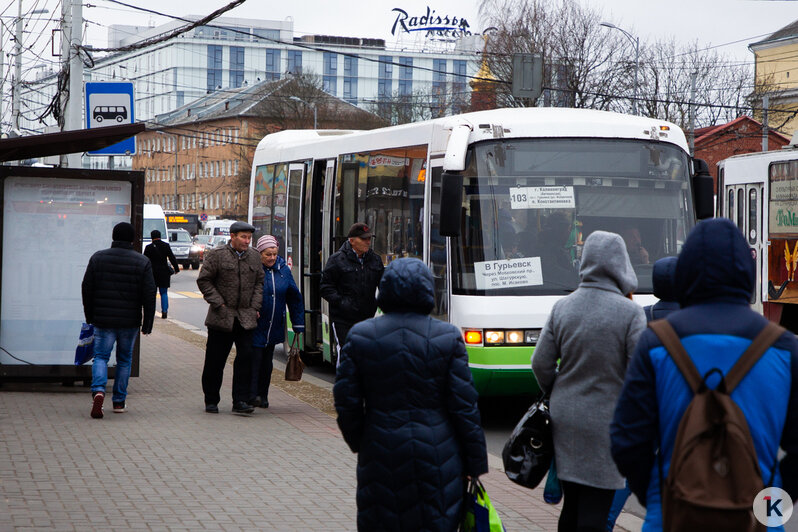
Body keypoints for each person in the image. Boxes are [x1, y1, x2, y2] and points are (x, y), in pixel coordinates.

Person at [611, 218, 798, 530]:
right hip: (757, 517)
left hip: (671, 515)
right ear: (747, 274)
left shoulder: (656, 343)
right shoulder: (784, 348)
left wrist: (657, 496)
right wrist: (769, 501)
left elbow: (627, 440)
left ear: (686, 273)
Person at [333, 258, 488, 531]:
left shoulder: (361, 336)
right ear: (428, 289)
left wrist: (362, 441)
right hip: (439, 452)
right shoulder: (447, 337)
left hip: (380, 448)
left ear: (384, 290)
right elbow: (465, 406)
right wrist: (474, 463)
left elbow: (346, 401)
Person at [532, 230, 646, 532]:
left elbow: (540, 363)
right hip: (609, 422)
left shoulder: (563, 307)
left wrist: (558, 390)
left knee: (572, 504)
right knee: (597, 507)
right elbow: (640, 375)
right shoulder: (631, 314)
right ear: (621, 264)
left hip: (565, 418)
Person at [606, 256, 680, 531]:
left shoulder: (640, 315)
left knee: (622, 483)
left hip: (644, 413)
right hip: (680, 417)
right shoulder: (695, 320)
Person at [82, 222, 156, 419]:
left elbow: (87, 288)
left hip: (103, 319)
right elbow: (149, 294)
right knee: (124, 360)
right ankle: (118, 401)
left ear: (114, 237)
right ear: (133, 239)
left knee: (100, 357)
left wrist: (90, 315)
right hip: (129, 321)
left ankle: (98, 391)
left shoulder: (98, 258)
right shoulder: (142, 262)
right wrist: (148, 322)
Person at [197, 221, 264, 415]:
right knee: (215, 361)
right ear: (232, 237)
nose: (247, 241)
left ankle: (240, 400)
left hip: (246, 317)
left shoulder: (254, 257)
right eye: (243, 237)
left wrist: (254, 306)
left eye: (249, 238)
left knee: (245, 359)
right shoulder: (217, 255)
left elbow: (260, 283)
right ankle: (211, 399)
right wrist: (219, 303)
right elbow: (204, 280)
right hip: (222, 317)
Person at [249, 235, 305, 409]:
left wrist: (298, 323)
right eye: (268, 254)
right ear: (259, 253)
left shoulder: (283, 270)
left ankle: (263, 395)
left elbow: (294, 297)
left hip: (274, 325)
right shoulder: (253, 269)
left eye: (274, 254)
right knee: (254, 360)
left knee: (267, 363)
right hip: (255, 325)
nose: (272, 258)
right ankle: (251, 396)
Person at [320, 222, 384, 355]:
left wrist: (379, 303)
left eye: (369, 239)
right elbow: (325, 287)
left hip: (367, 318)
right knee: (347, 354)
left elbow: (384, 285)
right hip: (343, 320)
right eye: (364, 239)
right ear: (352, 240)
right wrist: (343, 303)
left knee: (365, 355)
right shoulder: (337, 260)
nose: (368, 242)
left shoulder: (375, 260)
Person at [143, 229, 180, 319]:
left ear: (152, 237)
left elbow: (145, 260)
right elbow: (172, 257)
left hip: (152, 273)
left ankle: (152, 312)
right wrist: (176, 268)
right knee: (164, 293)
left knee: (152, 293)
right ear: (160, 236)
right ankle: (164, 311)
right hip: (164, 273)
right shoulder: (166, 246)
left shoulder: (148, 247)